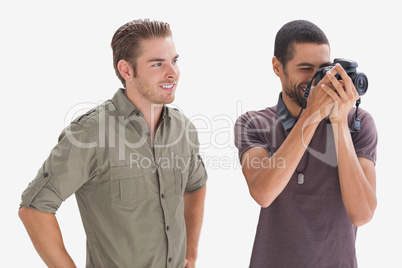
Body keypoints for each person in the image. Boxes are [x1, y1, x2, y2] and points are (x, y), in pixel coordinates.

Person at [19, 19, 207, 268]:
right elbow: (34, 209)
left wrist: (191, 253)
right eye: (158, 63)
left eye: (174, 60)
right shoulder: (90, 134)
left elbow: (196, 185)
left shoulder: (183, 129)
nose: (172, 72)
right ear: (127, 70)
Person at [234, 20, 377, 267]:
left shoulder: (358, 122)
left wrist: (339, 122)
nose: (317, 80)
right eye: (305, 68)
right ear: (277, 67)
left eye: (324, 68)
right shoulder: (253, 123)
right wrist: (312, 116)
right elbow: (263, 193)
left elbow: (362, 214)